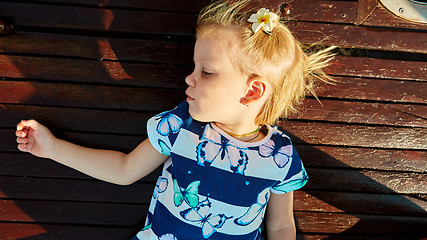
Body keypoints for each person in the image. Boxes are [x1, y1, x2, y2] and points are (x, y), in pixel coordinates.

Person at [15, 0, 335, 239]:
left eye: (206, 71)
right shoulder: (181, 126)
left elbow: (280, 224)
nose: (189, 78)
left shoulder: (280, 157)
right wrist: (53, 148)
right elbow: (125, 170)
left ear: (253, 91)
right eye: (195, 67)